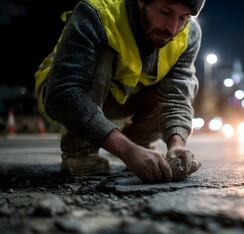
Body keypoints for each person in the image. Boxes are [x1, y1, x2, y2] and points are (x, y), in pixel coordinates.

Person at [34, 0, 205, 183]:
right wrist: (127, 151)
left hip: (122, 97)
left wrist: (177, 144)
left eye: (183, 17)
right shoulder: (97, 14)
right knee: (105, 54)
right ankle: (80, 149)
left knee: (175, 85)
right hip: (62, 93)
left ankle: (139, 143)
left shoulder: (189, 34)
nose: (172, 28)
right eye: (165, 11)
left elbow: (178, 96)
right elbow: (64, 92)